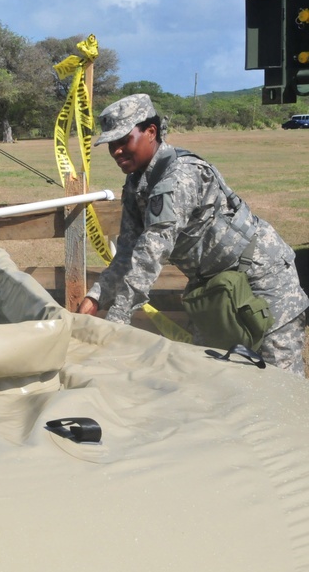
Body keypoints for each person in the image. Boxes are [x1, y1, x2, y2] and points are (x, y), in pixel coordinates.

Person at [77, 93, 308, 374]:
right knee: (212, 374)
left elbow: (152, 251)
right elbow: (127, 252)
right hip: (215, 289)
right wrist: (95, 298)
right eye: (111, 144)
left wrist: (116, 321)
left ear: (151, 132)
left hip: (263, 280)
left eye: (123, 141)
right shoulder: (137, 183)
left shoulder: (180, 176)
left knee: (280, 380)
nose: (116, 151)